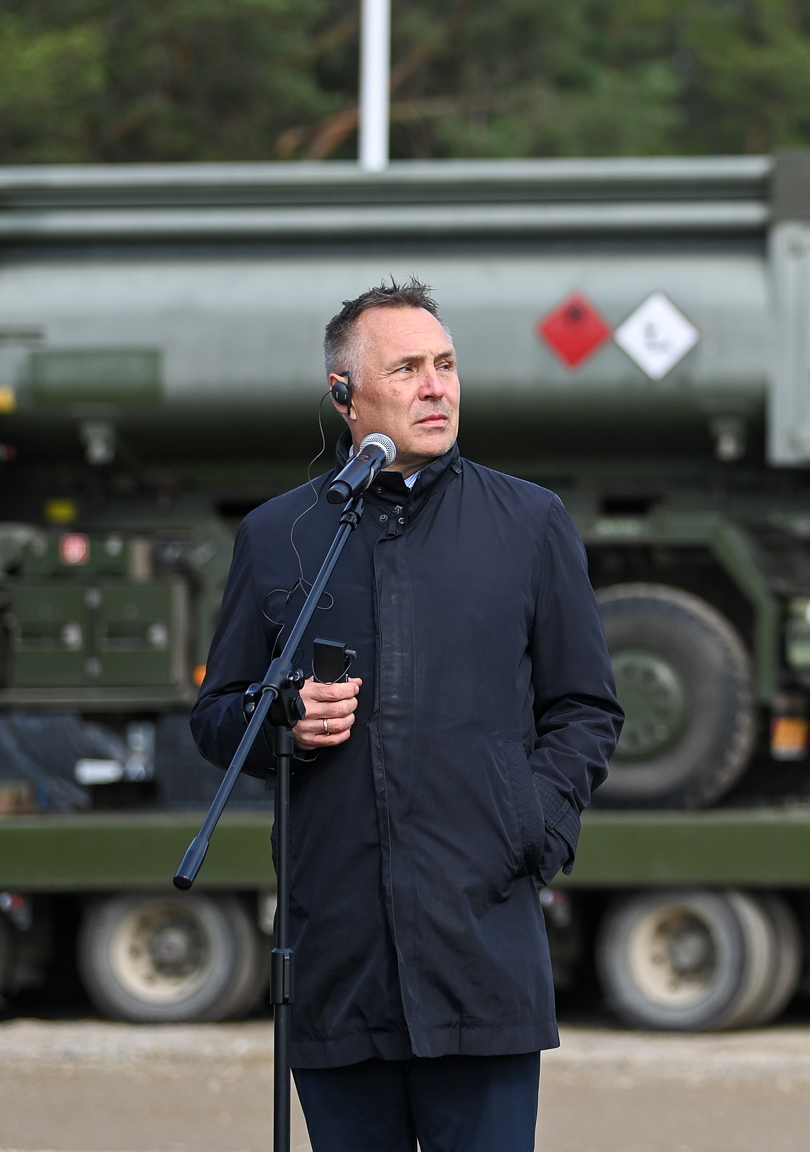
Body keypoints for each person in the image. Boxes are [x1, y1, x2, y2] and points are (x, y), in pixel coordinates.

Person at [193, 278, 622, 1152]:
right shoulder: (281, 535)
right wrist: (282, 719)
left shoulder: (528, 522)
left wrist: (534, 826)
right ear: (345, 395)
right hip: (336, 955)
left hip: (480, 947)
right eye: (408, 369)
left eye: (446, 365)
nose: (437, 387)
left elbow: (585, 706)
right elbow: (214, 717)